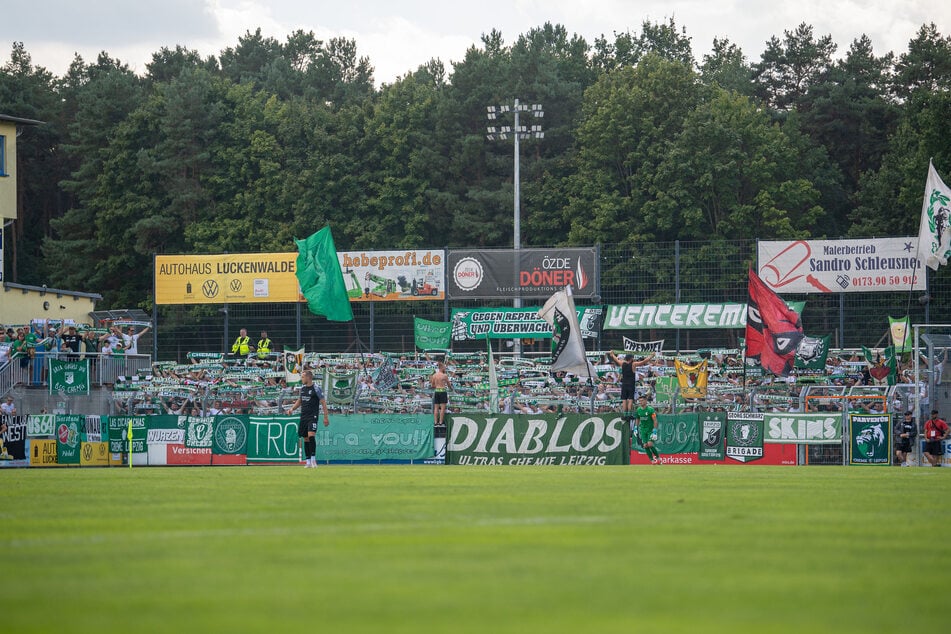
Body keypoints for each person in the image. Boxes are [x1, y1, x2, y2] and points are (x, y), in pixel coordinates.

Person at [287, 370, 330, 468]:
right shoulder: (302, 389)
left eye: (302, 377)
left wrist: (326, 417)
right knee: (305, 438)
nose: (301, 379)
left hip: (312, 416)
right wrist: (292, 409)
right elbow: (299, 401)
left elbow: (323, 403)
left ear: (308, 377)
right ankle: (308, 461)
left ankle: (314, 460)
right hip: (304, 417)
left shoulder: (316, 388)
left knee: (311, 436)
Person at [609, 351, 654, 416]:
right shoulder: (633, 364)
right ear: (631, 358)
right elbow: (643, 362)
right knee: (630, 400)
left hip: (624, 384)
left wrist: (612, 355)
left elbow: (616, 359)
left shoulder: (622, 363)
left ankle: (625, 415)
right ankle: (629, 414)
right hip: (631, 385)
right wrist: (651, 356)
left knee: (624, 400)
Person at [633, 394, 661, 464]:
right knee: (645, 445)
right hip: (643, 430)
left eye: (642, 401)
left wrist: (654, 431)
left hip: (650, 429)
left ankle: (658, 458)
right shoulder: (638, 410)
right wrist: (635, 427)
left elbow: (655, 420)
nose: (640, 402)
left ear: (646, 401)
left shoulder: (650, 410)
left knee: (650, 444)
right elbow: (637, 418)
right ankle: (652, 460)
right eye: (639, 401)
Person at [430, 361, 450, 427]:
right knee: (442, 408)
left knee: (436, 407)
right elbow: (449, 384)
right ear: (441, 367)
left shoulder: (434, 375)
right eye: (444, 367)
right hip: (443, 391)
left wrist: (437, 386)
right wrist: (451, 389)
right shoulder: (444, 375)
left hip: (437, 391)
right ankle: (441, 422)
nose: (445, 368)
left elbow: (432, 385)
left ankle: (435, 422)